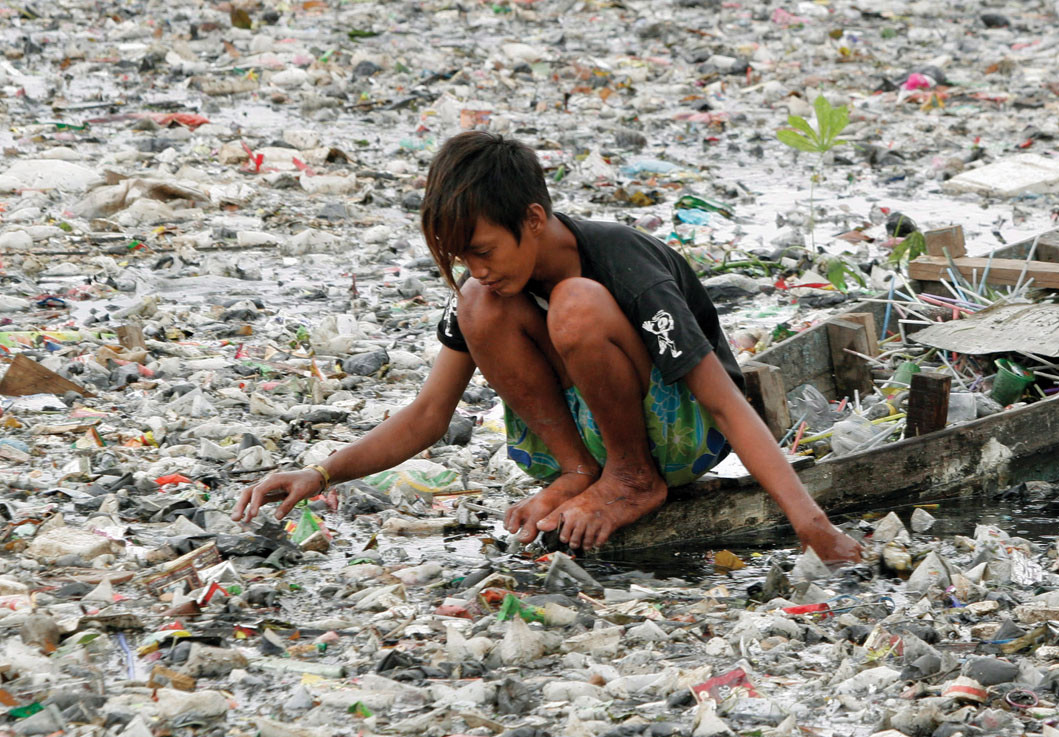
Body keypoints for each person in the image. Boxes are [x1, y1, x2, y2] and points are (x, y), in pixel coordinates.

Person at [233, 131, 863, 562]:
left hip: (682, 435)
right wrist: (318, 473)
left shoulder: (622, 265)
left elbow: (725, 403)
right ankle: (581, 472)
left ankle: (631, 479)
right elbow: (429, 415)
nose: (476, 267)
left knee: (576, 304)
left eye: (484, 251)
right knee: (477, 306)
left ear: (533, 220)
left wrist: (812, 525)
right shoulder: (487, 287)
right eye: (461, 257)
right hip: (586, 442)